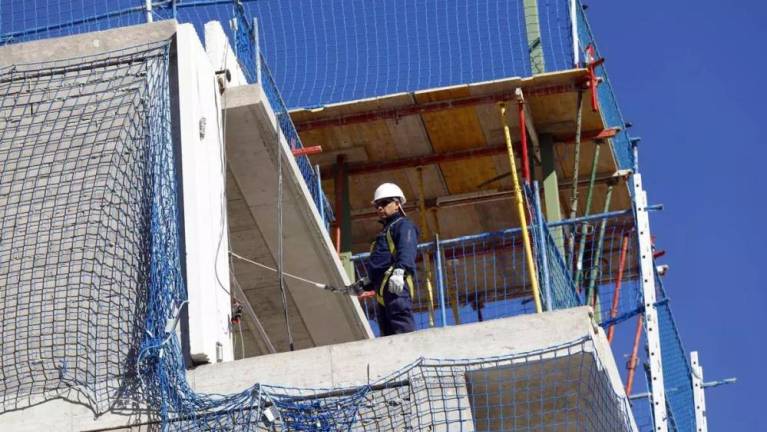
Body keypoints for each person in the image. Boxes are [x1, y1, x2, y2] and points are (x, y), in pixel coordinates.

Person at [364, 182, 419, 336]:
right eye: (377, 205)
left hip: (395, 285)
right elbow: (380, 261)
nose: (379, 208)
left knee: (402, 325)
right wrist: (367, 282)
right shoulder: (385, 232)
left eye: (384, 203)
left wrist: (400, 270)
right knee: (388, 335)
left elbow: (406, 248)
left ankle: (412, 355)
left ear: (396, 204)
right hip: (383, 291)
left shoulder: (403, 224)